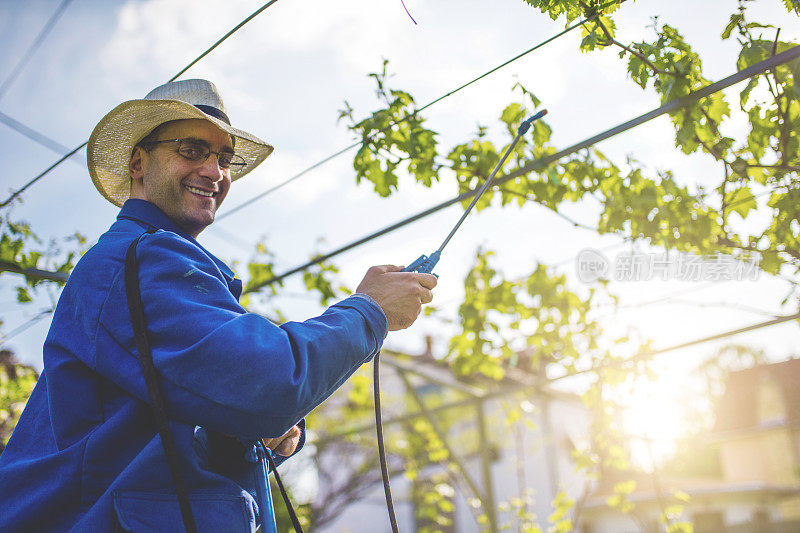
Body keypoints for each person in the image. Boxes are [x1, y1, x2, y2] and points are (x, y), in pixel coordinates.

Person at [0, 79, 437, 532]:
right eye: (191, 150)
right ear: (137, 163)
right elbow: (268, 381)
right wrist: (369, 311)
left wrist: (235, 434)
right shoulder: (144, 258)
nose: (215, 172)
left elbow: (163, 449)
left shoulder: (147, 263)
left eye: (224, 158)